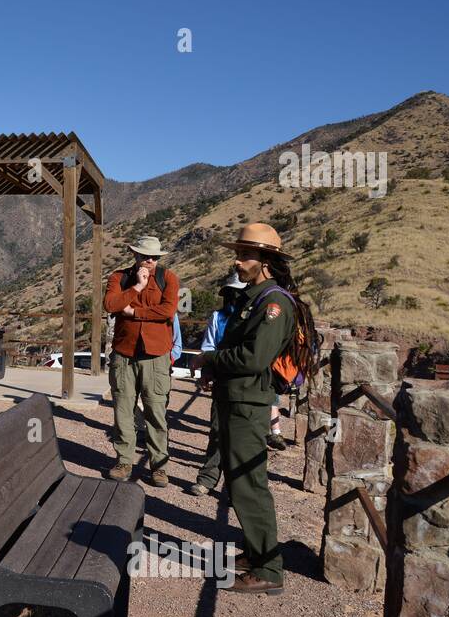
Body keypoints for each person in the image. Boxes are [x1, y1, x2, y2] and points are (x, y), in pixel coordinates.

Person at [189, 222, 318, 596]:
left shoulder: (274, 303)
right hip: (237, 398)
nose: (237, 261)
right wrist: (215, 368)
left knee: (249, 485)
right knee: (240, 480)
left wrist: (211, 358)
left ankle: (269, 568)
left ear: (265, 261)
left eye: (244, 255)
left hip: (248, 402)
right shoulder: (255, 297)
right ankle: (254, 552)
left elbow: (254, 357)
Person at [102, 236, 180, 486]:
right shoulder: (119, 277)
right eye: (146, 255)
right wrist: (135, 287)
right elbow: (110, 304)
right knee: (123, 410)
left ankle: (159, 466)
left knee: (156, 411)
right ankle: (124, 461)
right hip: (125, 353)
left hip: (156, 355)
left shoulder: (168, 278)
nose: (150, 260)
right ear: (134, 255)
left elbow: (167, 311)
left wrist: (134, 312)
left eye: (155, 256)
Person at [189, 274, 246, 498]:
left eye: (239, 292)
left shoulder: (256, 318)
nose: (236, 296)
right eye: (233, 292)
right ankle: (207, 478)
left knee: (242, 437)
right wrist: (207, 371)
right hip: (224, 380)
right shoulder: (219, 317)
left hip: (247, 381)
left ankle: (237, 488)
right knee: (217, 430)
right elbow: (209, 346)